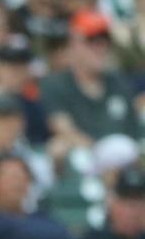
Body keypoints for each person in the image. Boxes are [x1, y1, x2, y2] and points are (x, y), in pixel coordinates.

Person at [41, 10, 140, 155]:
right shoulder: (55, 84)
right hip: (86, 162)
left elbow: (134, 132)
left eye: (105, 41)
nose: (101, 48)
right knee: (59, 149)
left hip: (125, 162)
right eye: (92, 41)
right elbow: (64, 130)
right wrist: (102, 155)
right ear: (74, 44)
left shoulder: (119, 82)